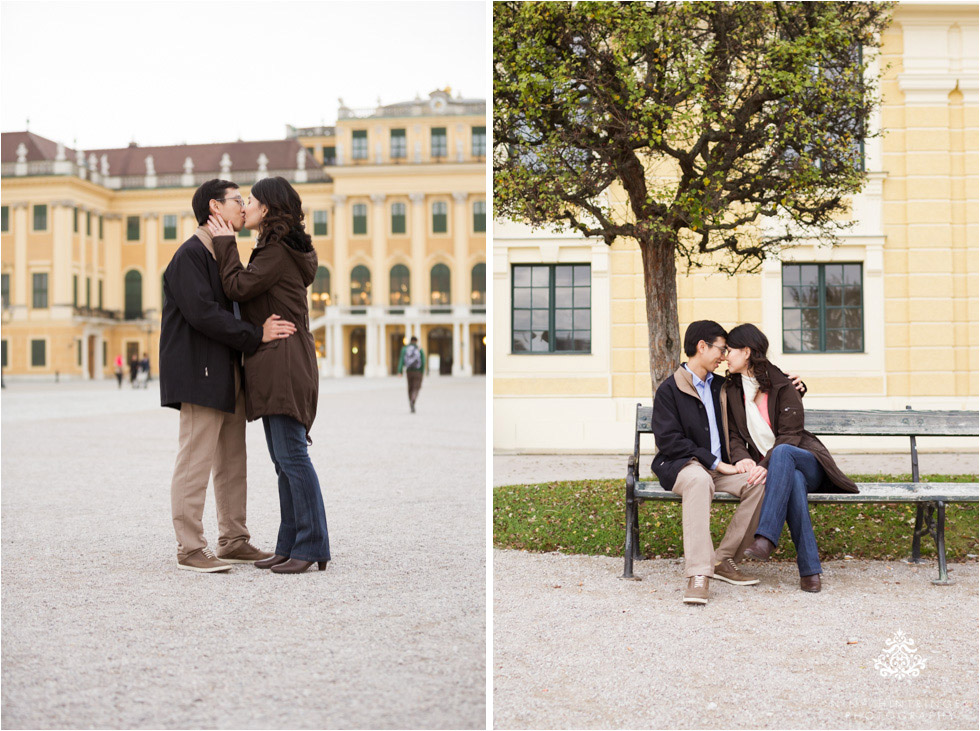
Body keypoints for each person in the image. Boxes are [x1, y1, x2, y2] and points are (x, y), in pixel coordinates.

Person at [160, 178, 295, 573]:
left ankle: (234, 539)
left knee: (233, 461)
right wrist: (257, 334)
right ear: (215, 208)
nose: (243, 206)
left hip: (229, 369)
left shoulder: (223, 250)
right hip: (200, 371)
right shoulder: (189, 256)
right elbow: (203, 314)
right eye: (237, 200)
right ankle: (189, 548)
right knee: (195, 460)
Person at [208, 176, 330, 575]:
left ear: (268, 209)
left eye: (253, 201)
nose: (246, 207)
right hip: (281, 357)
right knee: (283, 459)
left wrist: (226, 243)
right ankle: (289, 543)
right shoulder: (276, 248)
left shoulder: (276, 251)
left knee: (292, 455)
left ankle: (311, 545)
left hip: (284, 359)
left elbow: (238, 286)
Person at [722, 323, 858, 593]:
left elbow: (791, 435)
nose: (726, 355)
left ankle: (766, 536)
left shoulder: (784, 384)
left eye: (729, 350)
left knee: (784, 454)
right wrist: (742, 459)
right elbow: (735, 436)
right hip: (782, 471)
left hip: (806, 462)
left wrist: (764, 464)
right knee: (792, 481)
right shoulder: (732, 389)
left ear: (746, 351)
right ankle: (810, 572)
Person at [651, 320, 766, 605]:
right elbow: (669, 441)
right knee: (700, 480)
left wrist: (796, 385)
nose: (725, 356)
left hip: (720, 468)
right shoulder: (670, 389)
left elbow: (762, 382)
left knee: (760, 482)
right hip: (684, 466)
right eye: (721, 349)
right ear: (702, 347)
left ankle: (723, 559)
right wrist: (714, 463)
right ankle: (699, 574)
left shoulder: (722, 385)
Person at [397, 336, 426, 412]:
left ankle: (410, 401)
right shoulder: (419, 349)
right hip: (418, 371)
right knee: (416, 387)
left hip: (409, 371)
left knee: (410, 387)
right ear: (416, 341)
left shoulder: (405, 349)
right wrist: (422, 371)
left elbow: (401, 360)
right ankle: (413, 399)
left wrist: (399, 371)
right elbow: (423, 360)